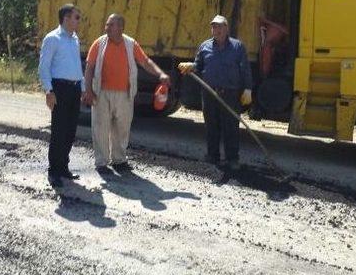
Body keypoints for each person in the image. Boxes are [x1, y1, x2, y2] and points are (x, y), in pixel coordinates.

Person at [83, 14, 170, 174]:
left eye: (110, 25)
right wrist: (87, 90)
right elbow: (89, 67)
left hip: (125, 94)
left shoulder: (131, 44)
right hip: (101, 93)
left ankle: (119, 160)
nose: (106, 28)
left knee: (122, 128)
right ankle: (101, 163)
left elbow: (146, 62)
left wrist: (160, 74)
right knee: (100, 127)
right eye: (107, 25)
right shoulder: (99, 43)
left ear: (120, 28)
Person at [178, 15, 252, 171]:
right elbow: (198, 65)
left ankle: (232, 159)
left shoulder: (237, 47)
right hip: (209, 93)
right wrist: (191, 66)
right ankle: (213, 156)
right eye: (213, 27)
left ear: (226, 28)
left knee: (231, 127)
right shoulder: (205, 46)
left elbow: (245, 69)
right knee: (211, 126)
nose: (216, 30)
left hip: (230, 93)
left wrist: (247, 88)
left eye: (219, 27)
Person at [38, 4, 85, 187]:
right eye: (76, 17)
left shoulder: (74, 39)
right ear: (66, 18)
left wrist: (81, 88)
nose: (78, 21)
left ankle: (63, 167)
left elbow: (76, 66)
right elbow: (44, 67)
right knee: (59, 130)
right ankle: (54, 171)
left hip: (73, 89)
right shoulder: (52, 38)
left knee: (70, 130)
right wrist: (49, 91)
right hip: (59, 88)